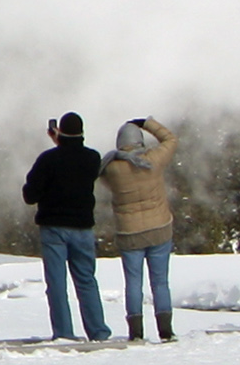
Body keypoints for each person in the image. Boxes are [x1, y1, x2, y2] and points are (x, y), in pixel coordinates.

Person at [22, 113, 110, 343]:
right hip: (83, 227)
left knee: (57, 283)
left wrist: (58, 145)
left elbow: (30, 195)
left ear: (59, 131)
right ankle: (98, 331)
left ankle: (64, 333)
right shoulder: (92, 158)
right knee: (86, 280)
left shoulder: (48, 160)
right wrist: (62, 142)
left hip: (54, 227)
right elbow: (74, 160)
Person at [100, 118, 181, 342]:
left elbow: (99, 174)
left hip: (129, 234)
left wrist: (115, 157)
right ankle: (166, 331)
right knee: (160, 282)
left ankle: (136, 333)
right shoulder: (154, 159)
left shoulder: (112, 169)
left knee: (133, 283)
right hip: (159, 229)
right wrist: (147, 123)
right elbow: (170, 139)